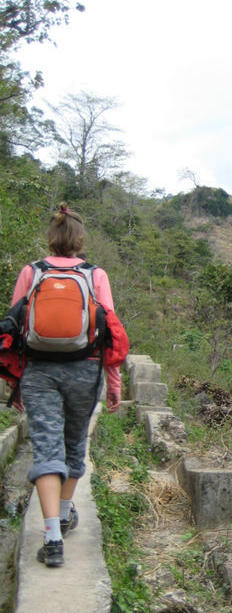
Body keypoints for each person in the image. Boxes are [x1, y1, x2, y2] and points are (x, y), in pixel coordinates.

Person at [10, 203, 122, 568]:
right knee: (75, 444)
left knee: (45, 447)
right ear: (79, 240)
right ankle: (62, 513)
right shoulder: (95, 275)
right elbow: (110, 333)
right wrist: (114, 382)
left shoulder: (32, 272)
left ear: (51, 239)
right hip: (85, 370)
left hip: (39, 373)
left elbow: (14, 329)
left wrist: (15, 382)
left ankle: (52, 537)